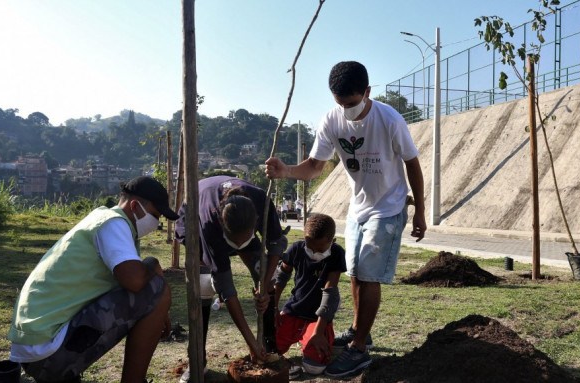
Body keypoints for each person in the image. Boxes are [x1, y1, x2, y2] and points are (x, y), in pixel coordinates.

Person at [265, 61, 427, 377]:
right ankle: (357, 331)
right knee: (352, 272)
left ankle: (358, 350)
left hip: (390, 207)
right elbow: (314, 166)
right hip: (359, 208)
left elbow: (413, 165)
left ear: (367, 92)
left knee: (367, 274)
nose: (346, 110)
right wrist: (286, 171)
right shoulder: (332, 120)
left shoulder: (389, 120)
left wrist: (419, 209)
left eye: (352, 103)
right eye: (340, 104)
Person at [8, 176, 177, 383]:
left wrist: (157, 312)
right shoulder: (113, 224)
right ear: (135, 206)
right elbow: (135, 281)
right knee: (158, 288)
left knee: (153, 289)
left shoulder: (103, 220)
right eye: (154, 215)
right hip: (47, 351)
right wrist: (152, 264)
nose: (156, 223)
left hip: (37, 345)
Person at [174, 176, 287, 383]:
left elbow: (276, 243)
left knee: (264, 275)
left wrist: (264, 284)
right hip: (195, 217)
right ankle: (198, 358)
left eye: (245, 239)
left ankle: (270, 346)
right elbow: (227, 287)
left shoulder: (262, 201)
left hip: (237, 220)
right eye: (235, 242)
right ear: (224, 228)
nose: (238, 246)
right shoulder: (209, 223)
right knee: (204, 285)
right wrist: (250, 340)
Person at [272, 213, 345, 378]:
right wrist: (274, 307)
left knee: (314, 367)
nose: (313, 253)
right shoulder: (297, 249)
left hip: (318, 318)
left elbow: (330, 292)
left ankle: (312, 335)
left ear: (331, 241)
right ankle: (301, 336)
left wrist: (319, 332)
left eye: (319, 249)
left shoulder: (336, 254)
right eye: (309, 247)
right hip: (294, 310)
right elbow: (281, 278)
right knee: (270, 348)